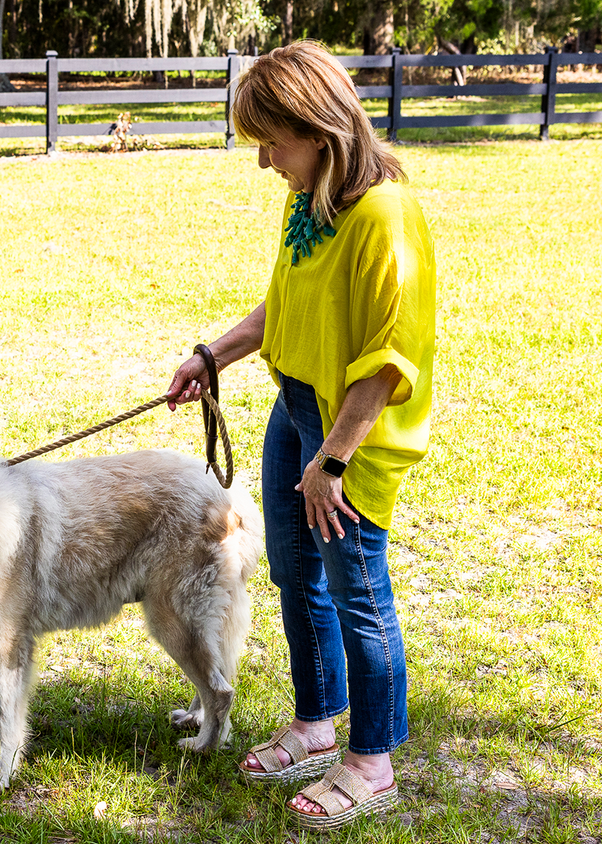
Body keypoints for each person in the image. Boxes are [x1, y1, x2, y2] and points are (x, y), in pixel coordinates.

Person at [165, 41, 435, 832]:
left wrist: (334, 459)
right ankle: (319, 720)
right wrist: (213, 355)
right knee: (295, 572)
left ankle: (372, 758)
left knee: (357, 587)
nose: (262, 160)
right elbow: (280, 308)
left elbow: (387, 363)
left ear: (318, 130)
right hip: (297, 410)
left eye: (270, 141)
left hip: (349, 429)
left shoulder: (384, 214)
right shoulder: (305, 198)